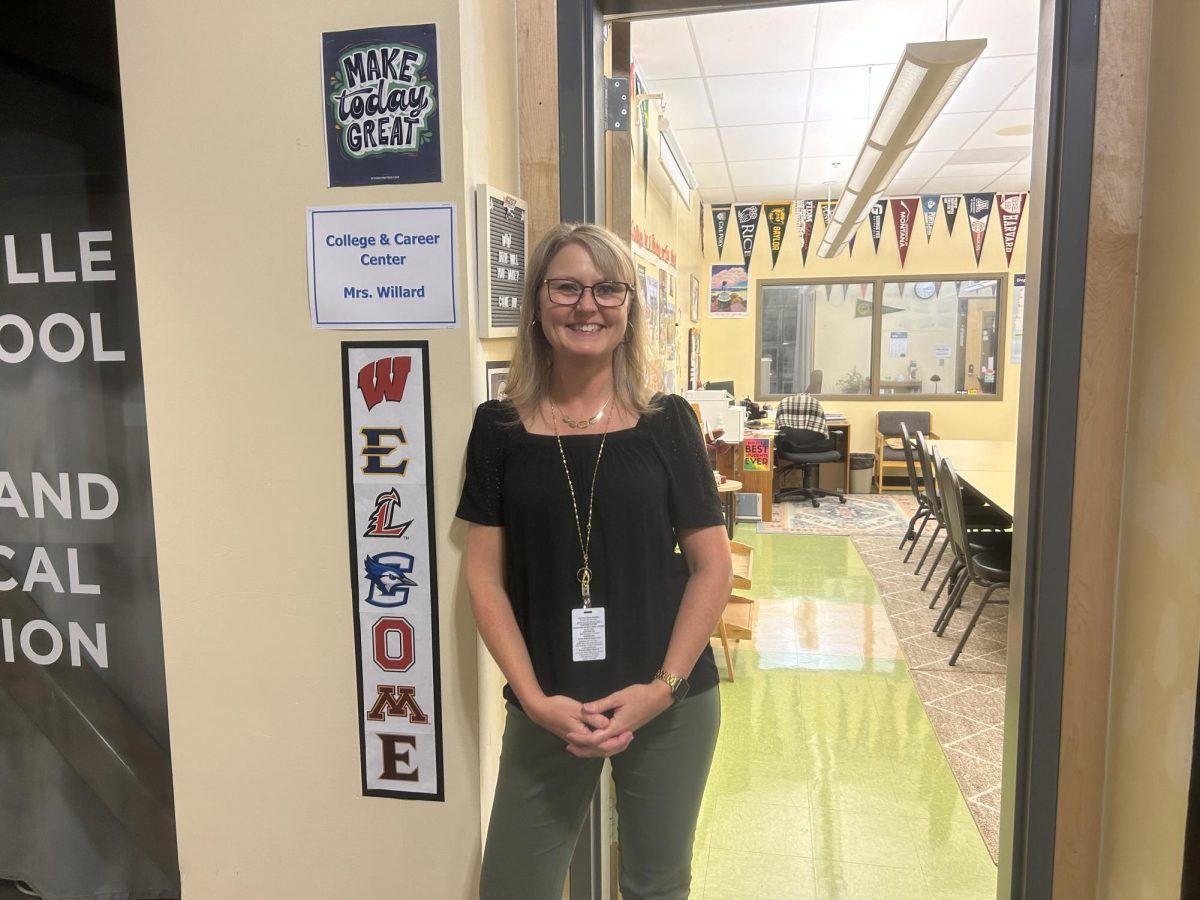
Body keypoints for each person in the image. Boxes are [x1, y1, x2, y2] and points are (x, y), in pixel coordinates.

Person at [457, 223, 732, 900]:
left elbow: (711, 567)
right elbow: (484, 576)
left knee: (655, 886)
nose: (588, 306)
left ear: (629, 306)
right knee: (513, 888)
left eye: (608, 288)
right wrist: (531, 698)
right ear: (537, 305)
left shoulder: (669, 422)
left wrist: (661, 688)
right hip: (547, 703)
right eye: (568, 288)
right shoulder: (499, 429)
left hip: (668, 702)